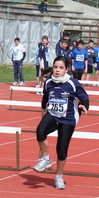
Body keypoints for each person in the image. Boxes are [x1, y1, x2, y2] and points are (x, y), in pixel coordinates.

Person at [33, 55, 90, 190]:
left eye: (61, 68)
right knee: (40, 131)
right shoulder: (49, 83)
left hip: (68, 118)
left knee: (61, 148)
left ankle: (59, 176)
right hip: (53, 114)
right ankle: (46, 158)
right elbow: (46, 96)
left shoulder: (73, 83)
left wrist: (84, 105)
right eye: (55, 67)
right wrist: (43, 106)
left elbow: (84, 97)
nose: (57, 70)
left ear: (67, 69)